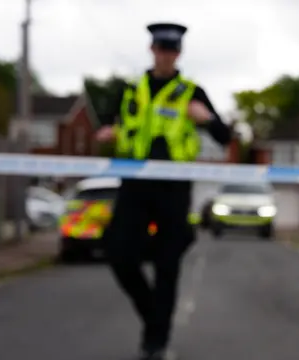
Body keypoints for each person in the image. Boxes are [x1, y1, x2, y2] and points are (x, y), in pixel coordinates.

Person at [94, 22, 232, 360]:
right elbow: (110, 126)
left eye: (172, 50)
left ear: (179, 54)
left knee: (168, 265)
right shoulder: (130, 90)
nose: (166, 55)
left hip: (173, 188)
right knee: (119, 253)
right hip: (135, 185)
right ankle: (153, 318)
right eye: (161, 49)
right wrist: (108, 134)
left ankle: (155, 344)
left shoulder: (190, 91)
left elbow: (225, 137)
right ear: (152, 50)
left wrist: (207, 119)